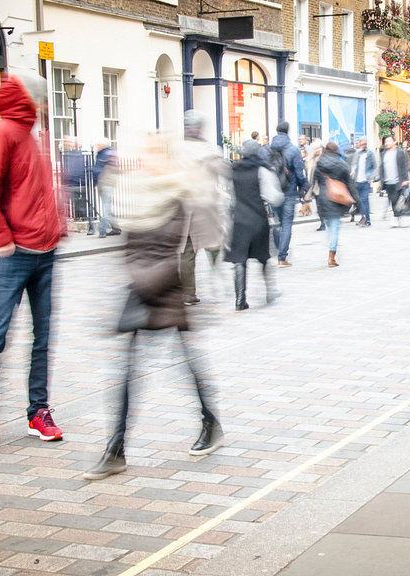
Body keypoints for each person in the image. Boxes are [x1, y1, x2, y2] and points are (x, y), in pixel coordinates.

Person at [84, 136, 223, 480]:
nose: (145, 161)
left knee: (186, 363)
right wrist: (134, 279)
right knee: (130, 372)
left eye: (151, 155)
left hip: (164, 288)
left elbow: (172, 248)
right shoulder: (138, 196)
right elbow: (129, 246)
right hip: (141, 288)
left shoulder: (176, 195)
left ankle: (210, 422)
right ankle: (116, 449)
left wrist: (139, 283)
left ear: (166, 159)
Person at [0, 71, 65, 453]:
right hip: (13, 254)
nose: (44, 107)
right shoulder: (3, 132)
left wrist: (57, 227)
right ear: (32, 99)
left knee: (43, 336)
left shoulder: (31, 135)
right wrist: (2, 239)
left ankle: (38, 410)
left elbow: (35, 190)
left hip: (44, 252)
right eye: (42, 100)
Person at [177, 111, 228, 306]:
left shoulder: (177, 149)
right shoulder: (211, 150)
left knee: (187, 251)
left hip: (186, 204)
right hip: (207, 204)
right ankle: (218, 277)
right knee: (214, 243)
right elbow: (224, 172)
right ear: (200, 127)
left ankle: (188, 292)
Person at [229, 139, 285, 311]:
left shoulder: (233, 169)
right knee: (263, 257)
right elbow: (273, 196)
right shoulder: (262, 169)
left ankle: (240, 299)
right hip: (257, 218)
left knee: (239, 260)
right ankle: (270, 291)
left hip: (238, 219)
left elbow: (228, 195)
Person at [269, 121, 309, 267]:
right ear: (288, 131)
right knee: (286, 224)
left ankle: (279, 247)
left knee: (277, 222)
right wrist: (305, 188)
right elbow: (300, 173)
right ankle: (282, 257)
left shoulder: (269, 150)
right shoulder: (293, 150)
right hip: (289, 191)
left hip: (273, 191)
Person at [314, 141, 356, 268]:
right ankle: (331, 257)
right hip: (337, 198)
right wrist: (356, 199)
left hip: (323, 197)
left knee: (330, 225)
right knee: (334, 227)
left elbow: (315, 180)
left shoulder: (319, 163)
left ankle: (332, 247)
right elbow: (349, 183)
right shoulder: (341, 165)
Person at [92, 139, 122, 239]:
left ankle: (102, 230)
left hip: (106, 183)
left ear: (102, 145)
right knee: (107, 206)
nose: (96, 146)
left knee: (106, 207)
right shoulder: (102, 153)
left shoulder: (106, 154)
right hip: (103, 183)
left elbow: (100, 170)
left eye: (98, 144)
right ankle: (116, 228)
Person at [380, 134, 410, 225]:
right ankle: (397, 216)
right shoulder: (383, 153)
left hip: (398, 180)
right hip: (388, 181)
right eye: (385, 142)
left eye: (389, 141)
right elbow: (382, 167)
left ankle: (398, 217)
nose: (387, 143)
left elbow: (404, 166)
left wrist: (405, 179)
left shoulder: (400, 152)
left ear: (394, 142)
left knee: (398, 199)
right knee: (393, 199)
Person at [348, 137, 378, 227]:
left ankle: (367, 219)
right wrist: (353, 170)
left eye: (363, 144)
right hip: (358, 180)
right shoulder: (357, 154)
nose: (361, 146)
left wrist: (371, 177)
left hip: (366, 181)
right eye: (360, 144)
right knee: (360, 201)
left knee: (364, 200)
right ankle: (364, 217)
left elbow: (376, 167)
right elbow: (354, 164)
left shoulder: (370, 154)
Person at [304, 139, 326, 231]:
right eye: (316, 148)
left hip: (323, 185)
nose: (318, 150)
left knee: (323, 205)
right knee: (318, 206)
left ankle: (326, 221)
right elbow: (308, 174)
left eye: (319, 148)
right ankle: (322, 222)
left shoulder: (324, 158)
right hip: (314, 186)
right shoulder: (310, 159)